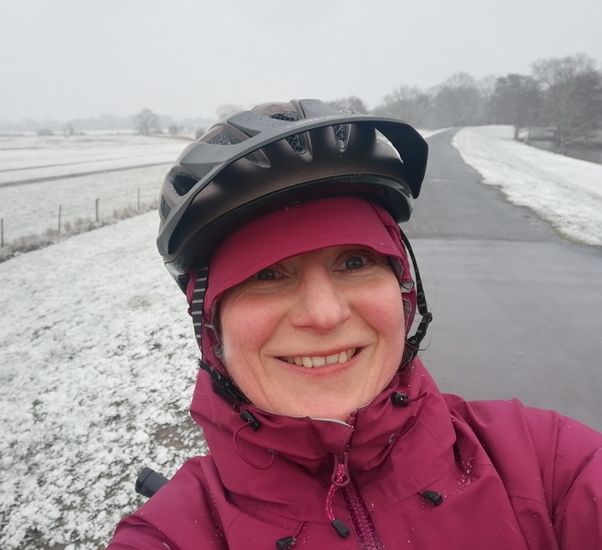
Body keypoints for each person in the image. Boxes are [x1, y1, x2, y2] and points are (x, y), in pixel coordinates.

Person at [107, 100, 602, 549]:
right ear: (210, 325)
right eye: (267, 274)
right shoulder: (173, 536)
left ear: (405, 291)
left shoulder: (549, 466)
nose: (325, 315)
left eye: (354, 263)